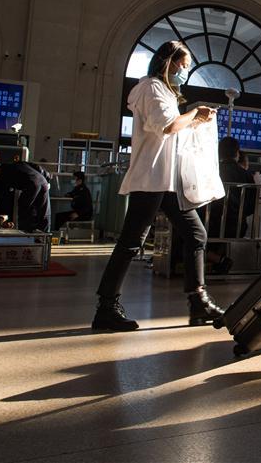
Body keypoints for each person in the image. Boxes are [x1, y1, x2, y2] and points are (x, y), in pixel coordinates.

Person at [91, 41, 223, 331]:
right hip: (151, 180)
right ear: (169, 62)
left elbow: (174, 131)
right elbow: (166, 125)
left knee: (195, 233)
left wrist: (196, 122)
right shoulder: (150, 87)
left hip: (165, 181)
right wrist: (195, 113)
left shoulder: (165, 92)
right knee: (131, 242)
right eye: (184, 64)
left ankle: (198, 300)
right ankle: (106, 307)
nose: (186, 71)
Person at [0, 162, 51, 232]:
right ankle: (45, 234)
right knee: (44, 210)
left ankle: (26, 231)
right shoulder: (18, 163)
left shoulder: (4, 174)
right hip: (43, 181)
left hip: (32, 184)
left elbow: (0, 193)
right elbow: (37, 167)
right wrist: (47, 178)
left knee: (23, 206)